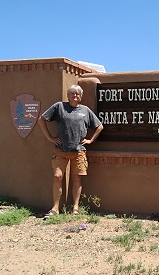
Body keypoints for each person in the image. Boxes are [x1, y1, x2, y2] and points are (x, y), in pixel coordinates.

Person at [39, 85, 103, 218]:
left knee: (76, 178)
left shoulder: (85, 110)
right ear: (68, 96)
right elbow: (42, 119)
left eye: (77, 94)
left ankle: (75, 208)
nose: (75, 96)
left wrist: (90, 140)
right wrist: (50, 137)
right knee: (57, 176)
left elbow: (99, 126)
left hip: (79, 151)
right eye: (72, 94)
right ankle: (55, 209)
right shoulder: (59, 107)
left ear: (81, 96)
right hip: (60, 151)